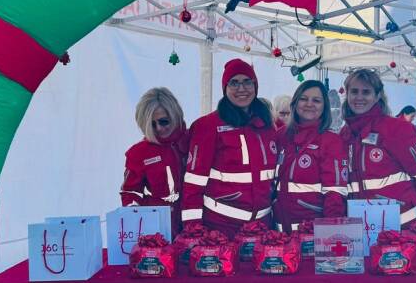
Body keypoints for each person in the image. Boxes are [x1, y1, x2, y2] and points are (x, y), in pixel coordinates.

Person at [181, 59, 278, 235]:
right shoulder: (208, 126)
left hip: (262, 228)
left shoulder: (266, 126)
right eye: (234, 83)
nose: (241, 88)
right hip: (221, 230)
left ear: (255, 86)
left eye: (247, 82)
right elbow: (193, 184)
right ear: (225, 88)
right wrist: (193, 230)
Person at [340, 69, 416, 226]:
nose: (359, 97)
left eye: (366, 92)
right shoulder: (345, 134)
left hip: (402, 224)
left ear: (377, 96)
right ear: (347, 94)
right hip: (362, 225)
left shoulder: (396, 129)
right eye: (354, 91)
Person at [274, 80, 348, 232]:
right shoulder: (280, 136)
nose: (309, 104)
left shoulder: (331, 141)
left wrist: (330, 234)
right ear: (295, 103)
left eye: (316, 100)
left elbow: (334, 194)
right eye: (303, 98)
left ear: (324, 107)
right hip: (277, 234)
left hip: (311, 236)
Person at [120, 88, 189, 236]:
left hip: (195, 225)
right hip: (159, 230)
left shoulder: (193, 140)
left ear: (175, 115)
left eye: (164, 121)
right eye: (152, 124)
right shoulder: (138, 153)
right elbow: (130, 192)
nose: (159, 128)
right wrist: (137, 220)